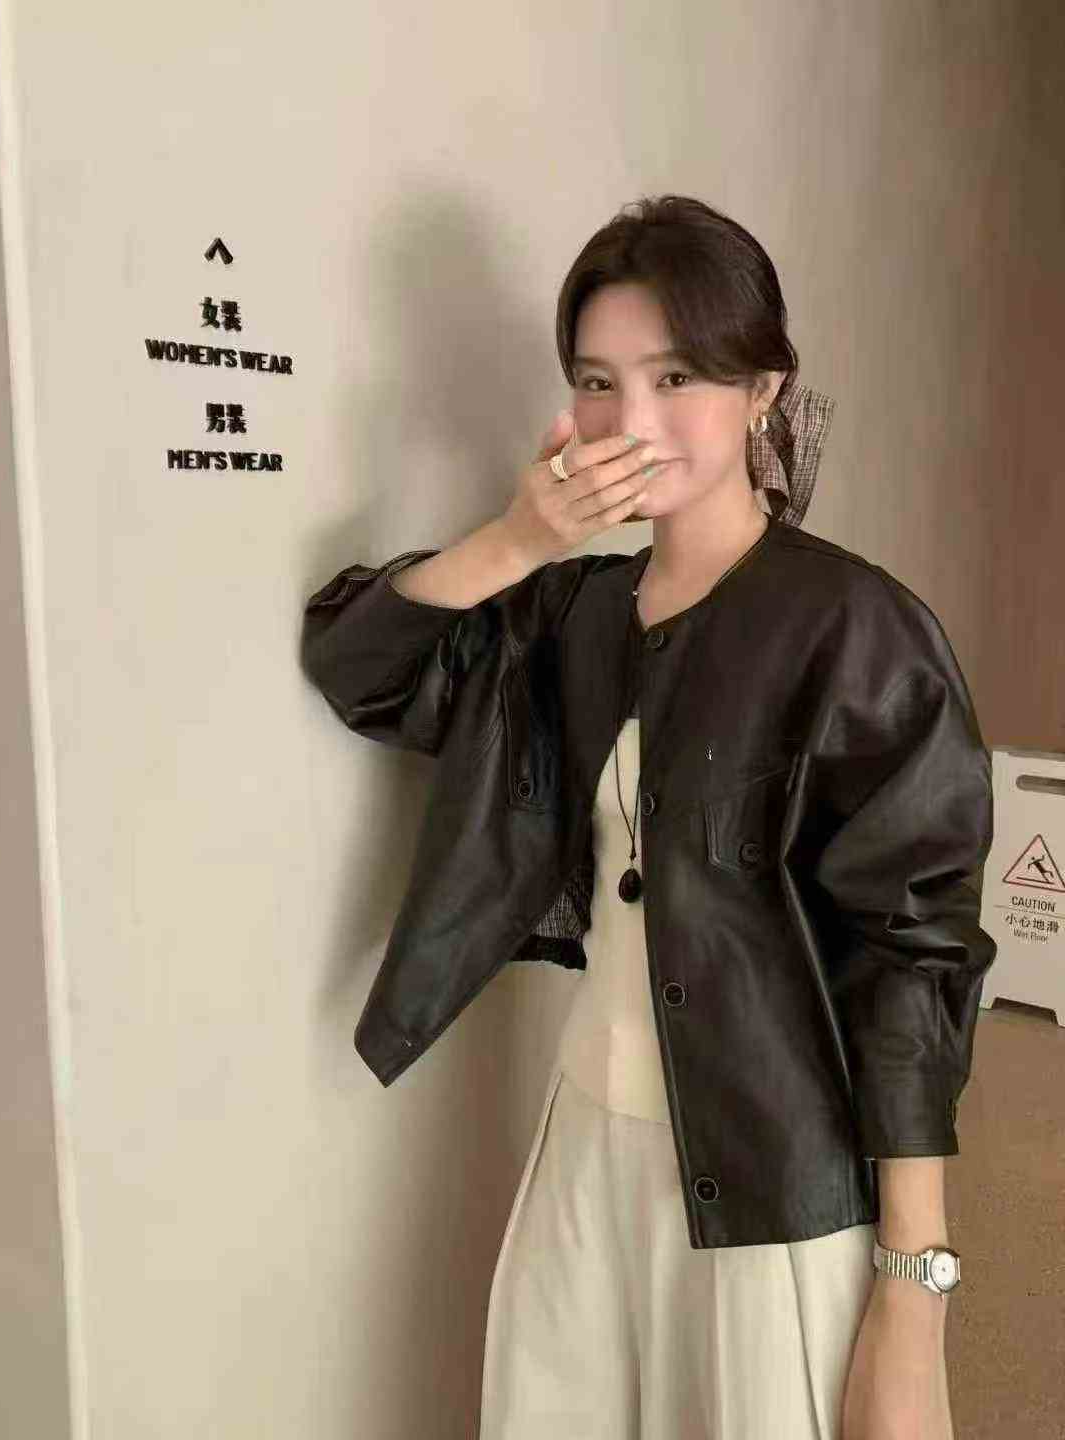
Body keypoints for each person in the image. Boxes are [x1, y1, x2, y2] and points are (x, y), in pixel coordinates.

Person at [300, 195, 993, 1439]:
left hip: (775, 1185)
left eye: (676, 376)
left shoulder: (858, 632)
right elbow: (360, 665)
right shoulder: (573, 616)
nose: (631, 420)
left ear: (763, 390)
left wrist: (913, 1289)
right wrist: (519, 539)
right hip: (586, 1143)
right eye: (596, 381)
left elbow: (913, 960)